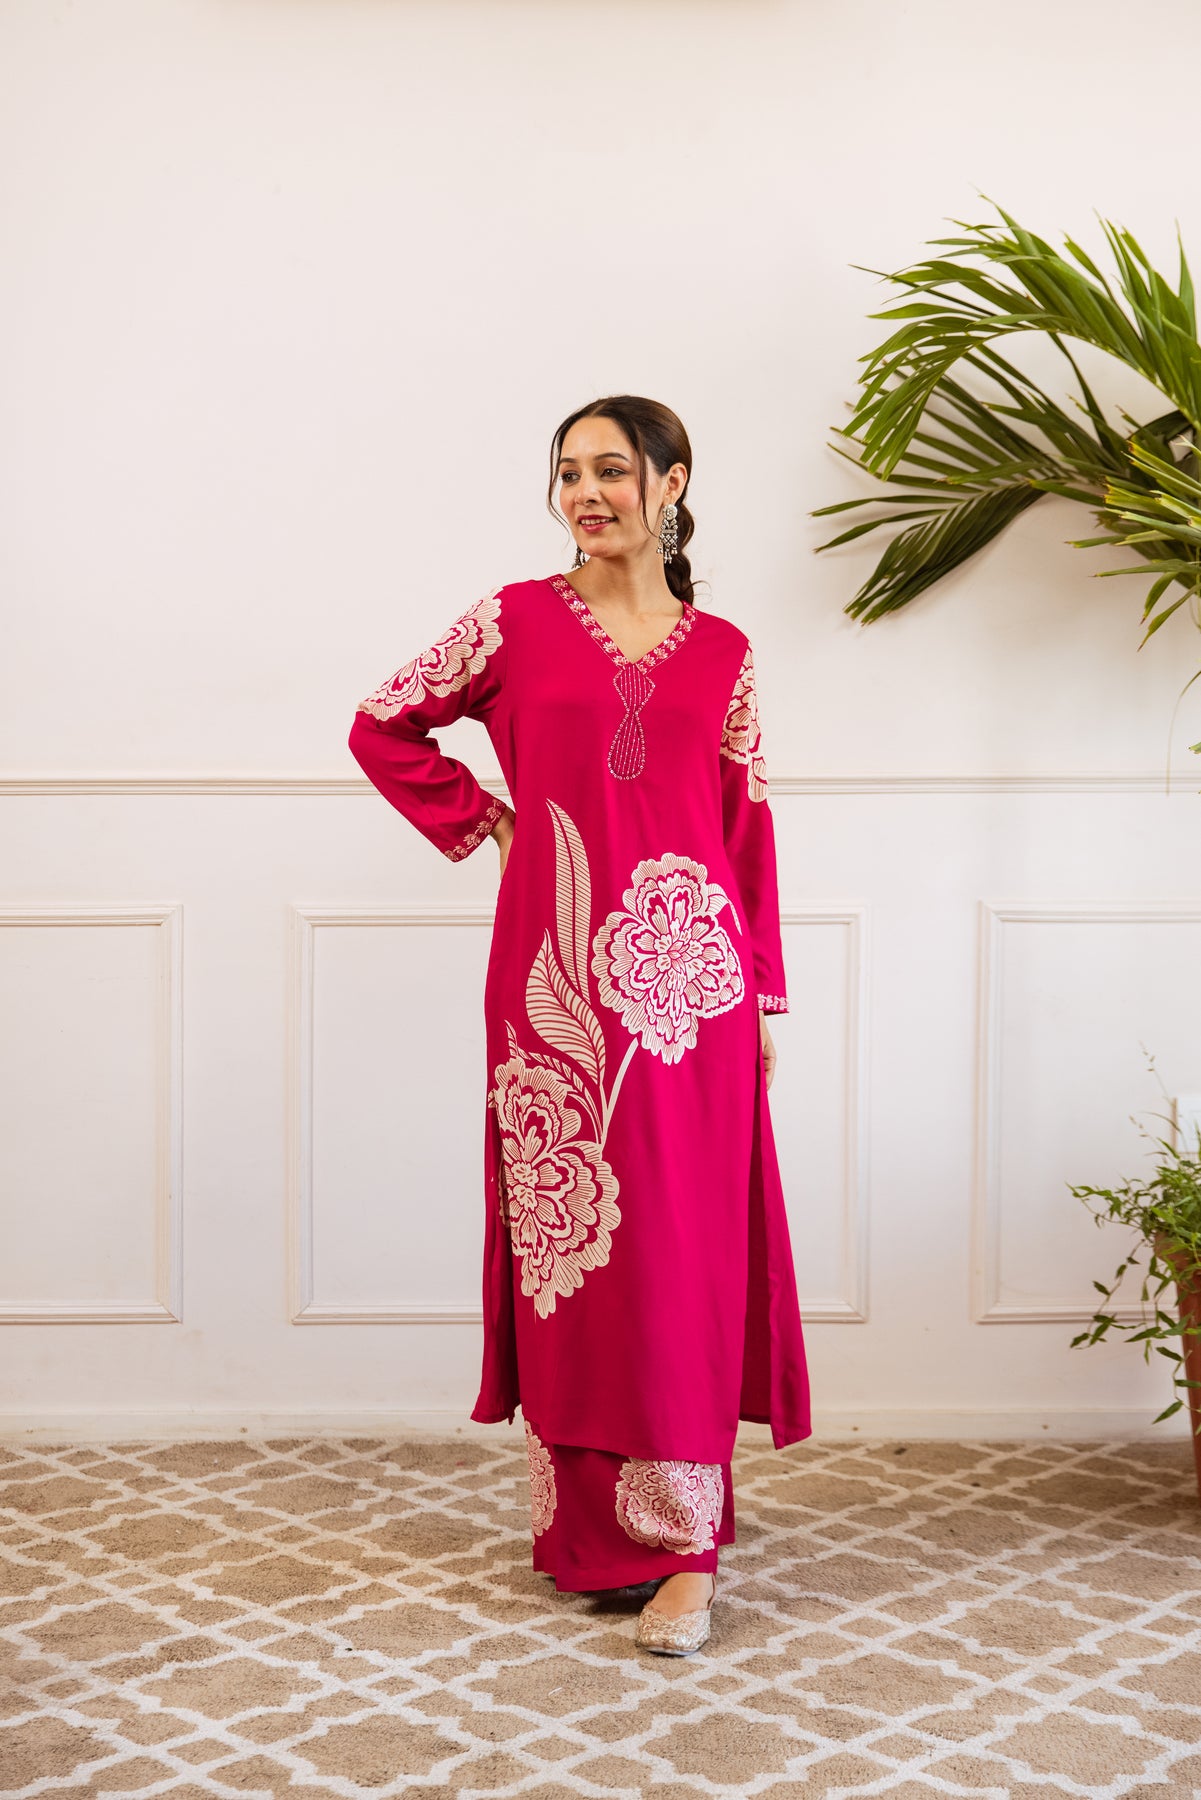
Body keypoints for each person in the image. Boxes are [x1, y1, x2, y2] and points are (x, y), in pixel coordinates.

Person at [348, 395, 811, 1656]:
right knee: (579, 1255)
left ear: (672, 483)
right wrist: (487, 822)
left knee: (681, 1253)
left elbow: (745, 829)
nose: (586, 493)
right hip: (550, 983)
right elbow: (382, 724)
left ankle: (685, 1546)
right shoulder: (509, 621)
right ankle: (597, 1533)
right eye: (567, 473)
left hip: (689, 989)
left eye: (611, 469)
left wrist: (760, 995)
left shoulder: (725, 651)